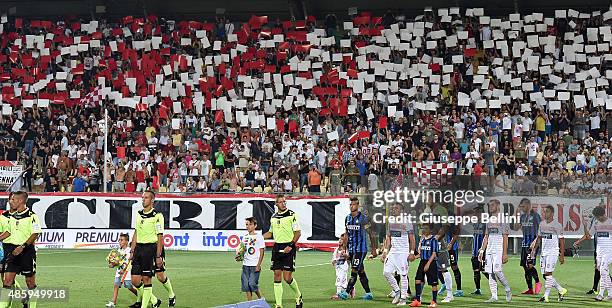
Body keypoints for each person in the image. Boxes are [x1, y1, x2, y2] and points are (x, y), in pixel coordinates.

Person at [0, 191, 42, 308]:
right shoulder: (12, 216)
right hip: (13, 252)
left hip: (27, 252)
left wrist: (23, 246)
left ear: (20, 201)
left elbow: (35, 233)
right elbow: (7, 232)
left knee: (30, 282)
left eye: (13, 200)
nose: (10, 202)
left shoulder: (32, 216)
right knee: (7, 281)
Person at [263, 195, 303, 308]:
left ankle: (298, 295)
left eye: (284, 202)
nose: (283, 204)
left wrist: (291, 245)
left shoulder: (292, 215)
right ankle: (279, 304)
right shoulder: (273, 217)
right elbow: (270, 233)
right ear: (276, 204)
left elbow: (298, 232)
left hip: (288, 246)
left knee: (287, 277)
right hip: (277, 248)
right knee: (276, 275)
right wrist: (258, 237)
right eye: (281, 202)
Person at [338, 197, 378, 300]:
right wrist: (345, 248)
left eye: (354, 204)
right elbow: (346, 234)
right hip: (351, 249)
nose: (352, 206)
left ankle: (346, 293)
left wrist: (374, 249)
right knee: (361, 271)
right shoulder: (347, 218)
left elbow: (371, 233)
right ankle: (368, 293)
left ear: (358, 205)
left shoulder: (363, 219)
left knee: (354, 270)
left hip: (360, 249)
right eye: (350, 204)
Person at [128, 191, 163, 308]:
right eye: (142, 198)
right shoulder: (138, 214)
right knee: (135, 281)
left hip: (150, 249)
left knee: (147, 279)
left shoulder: (157, 215)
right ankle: (154, 300)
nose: (143, 200)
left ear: (152, 200)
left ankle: (144, 306)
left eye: (146, 198)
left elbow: (160, 236)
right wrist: (132, 251)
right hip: (138, 249)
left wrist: (158, 256)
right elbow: (136, 232)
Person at [529, 205, 567, 302]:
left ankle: (546, 296)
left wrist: (562, 255)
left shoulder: (557, 225)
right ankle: (561, 290)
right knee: (545, 275)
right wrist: (534, 250)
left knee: (548, 273)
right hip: (543, 253)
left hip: (553, 252)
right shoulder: (541, 224)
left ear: (552, 213)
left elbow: (562, 240)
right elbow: (539, 238)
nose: (545, 214)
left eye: (547, 212)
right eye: (544, 212)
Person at [381, 203, 416, 305]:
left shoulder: (407, 222)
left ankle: (403, 298)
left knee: (403, 275)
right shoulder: (390, 222)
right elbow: (388, 238)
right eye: (393, 208)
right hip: (393, 252)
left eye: (396, 208)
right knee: (386, 272)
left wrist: (412, 253)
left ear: (402, 211)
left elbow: (412, 239)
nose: (393, 210)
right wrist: (385, 252)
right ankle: (397, 292)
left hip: (403, 252)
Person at [574, 205, 612, 301]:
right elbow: (588, 236)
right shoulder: (595, 223)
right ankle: (607, 294)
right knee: (603, 272)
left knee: (603, 270)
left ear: (603, 214)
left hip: (609, 251)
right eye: (596, 217)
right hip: (599, 251)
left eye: (598, 216)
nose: (598, 218)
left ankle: (603, 294)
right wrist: (585, 226)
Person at [478, 199, 512, 303]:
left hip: (498, 249)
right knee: (490, 273)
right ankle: (494, 296)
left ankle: (508, 290)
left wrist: (505, 253)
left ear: (498, 206)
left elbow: (505, 237)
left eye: (492, 205)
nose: (490, 207)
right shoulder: (489, 219)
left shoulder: (503, 219)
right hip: (489, 250)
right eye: (489, 205)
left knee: (497, 271)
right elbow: (486, 236)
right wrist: (482, 251)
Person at [512, 198, 542, 295]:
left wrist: (536, 243)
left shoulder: (536, 216)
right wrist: (516, 215)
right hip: (524, 244)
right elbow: (516, 228)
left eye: (523, 206)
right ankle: (530, 289)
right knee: (525, 266)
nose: (522, 208)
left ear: (529, 205)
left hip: (533, 245)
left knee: (529, 265)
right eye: (521, 206)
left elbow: (540, 230)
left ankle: (538, 282)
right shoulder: (522, 216)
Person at [409, 223, 439, 308]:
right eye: (423, 228)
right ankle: (417, 301)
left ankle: (434, 302)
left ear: (430, 230)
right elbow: (421, 253)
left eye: (426, 228)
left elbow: (434, 254)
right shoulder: (422, 240)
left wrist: (428, 264)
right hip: (422, 261)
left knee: (433, 283)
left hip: (431, 262)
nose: (423, 230)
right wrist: (414, 257)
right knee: (418, 280)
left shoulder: (434, 240)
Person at [106, 233, 138, 308]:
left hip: (127, 272)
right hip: (119, 272)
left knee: (129, 286)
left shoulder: (129, 250)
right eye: (119, 240)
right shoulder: (118, 251)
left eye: (122, 240)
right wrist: (112, 264)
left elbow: (129, 262)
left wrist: (124, 270)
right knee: (116, 285)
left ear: (127, 241)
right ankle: (113, 302)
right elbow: (118, 262)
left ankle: (140, 296)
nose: (120, 241)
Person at [239, 217, 265, 301]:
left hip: (254, 265)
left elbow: (262, 251)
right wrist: (239, 256)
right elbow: (242, 250)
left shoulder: (259, 237)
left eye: (250, 224)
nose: (248, 226)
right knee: (246, 285)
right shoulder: (244, 237)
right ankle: (249, 303)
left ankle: (261, 299)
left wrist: (259, 265)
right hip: (245, 265)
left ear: (255, 225)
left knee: (252, 284)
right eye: (246, 224)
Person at [470, 205, 488, 295]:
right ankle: (478, 289)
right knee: (476, 271)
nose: (475, 214)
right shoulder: (475, 223)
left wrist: (484, 249)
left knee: (485, 270)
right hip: (474, 251)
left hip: (482, 252)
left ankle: (494, 285)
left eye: (477, 212)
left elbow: (487, 237)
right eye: (475, 213)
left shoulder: (485, 224)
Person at [330, 234, 350, 300]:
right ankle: (350, 289)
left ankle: (338, 294)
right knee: (343, 280)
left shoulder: (346, 249)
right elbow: (334, 257)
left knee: (339, 279)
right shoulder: (336, 249)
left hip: (343, 266)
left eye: (342, 239)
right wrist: (333, 261)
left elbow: (349, 257)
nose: (340, 240)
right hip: (338, 267)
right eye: (339, 239)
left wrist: (345, 255)